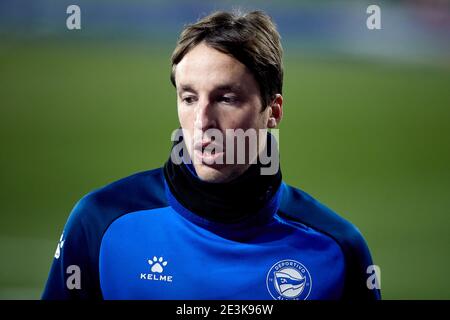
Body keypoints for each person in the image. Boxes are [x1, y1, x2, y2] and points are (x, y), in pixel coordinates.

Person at [42, 10, 381, 300]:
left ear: (273, 110)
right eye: (189, 98)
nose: (203, 122)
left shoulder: (337, 250)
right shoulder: (101, 224)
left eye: (226, 98)